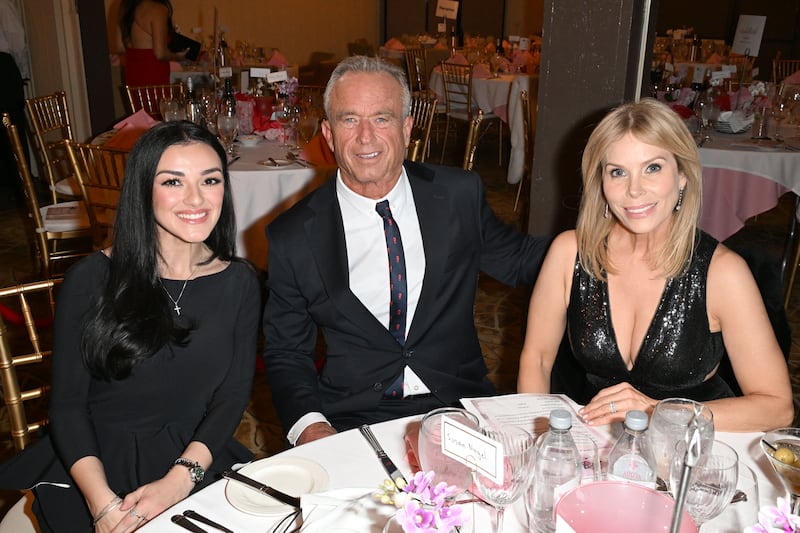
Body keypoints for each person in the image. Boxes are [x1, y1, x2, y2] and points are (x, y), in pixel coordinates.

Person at [262, 55, 551, 446]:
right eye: (350, 120)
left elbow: (522, 260)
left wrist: (606, 247)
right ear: (328, 134)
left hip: (457, 405)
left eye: (381, 118)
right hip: (354, 418)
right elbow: (286, 351)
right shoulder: (294, 235)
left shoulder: (456, 196)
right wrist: (311, 427)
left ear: (407, 127)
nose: (366, 137)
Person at [0, 121, 261, 532]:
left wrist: (180, 480)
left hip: (194, 459)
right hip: (94, 466)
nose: (196, 198)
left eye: (210, 180)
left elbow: (231, 397)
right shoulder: (91, 279)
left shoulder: (240, 282)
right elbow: (68, 407)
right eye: (173, 182)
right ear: (143, 190)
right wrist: (103, 506)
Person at [517, 98, 794, 432]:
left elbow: (777, 408)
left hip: (691, 447)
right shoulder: (570, 253)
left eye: (652, 168)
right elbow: (537, 359)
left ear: (682, 175)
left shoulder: (722, 273)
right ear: (601, 183)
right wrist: (541, 439)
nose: (634, 190)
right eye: (618, 172)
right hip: (599, 443)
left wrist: (658, 411)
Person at [118, 0, 186, 86]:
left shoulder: (126, 7)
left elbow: (119, 47)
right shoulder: (157, 9)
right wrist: (178, 57)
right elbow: (160, 54)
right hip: (153, 72)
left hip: (132, 73)